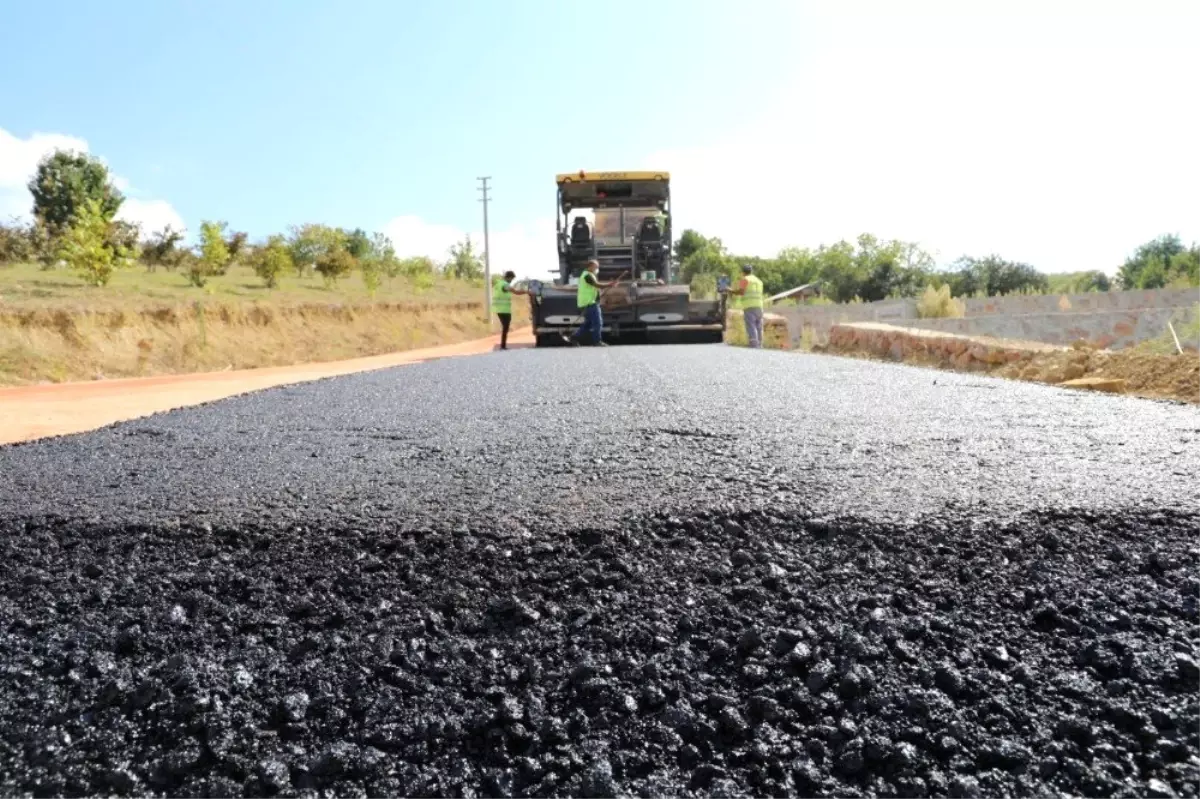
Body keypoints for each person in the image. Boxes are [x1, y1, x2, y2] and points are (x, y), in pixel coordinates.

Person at [569, 260, 619, 346]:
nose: (597, 269)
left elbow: (594, 288)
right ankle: (597, 341)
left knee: (588, 324)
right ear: (590, 266)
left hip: (588, 302)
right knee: (598, 322)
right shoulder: (587, 276)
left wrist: (607, 286)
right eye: (596, 267)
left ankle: (574, 337)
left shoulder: (589, 275)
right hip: (590, 302)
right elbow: (597, 285)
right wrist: (610, 284)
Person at [729, 263, 765, 348]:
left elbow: (741, 292)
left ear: (743, 272)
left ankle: (753, 344)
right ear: (751, 271)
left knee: (751, 325)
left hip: (749, 306)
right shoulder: (759, 281)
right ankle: (760, 344)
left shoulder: (745, 280)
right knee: (759, 326)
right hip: (759, 306)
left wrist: (731, 291)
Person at [491, 271, 527, 350]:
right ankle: (503, 346)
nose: (511, 281)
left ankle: (503, 345)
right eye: (511, 279)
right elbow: (516, 292)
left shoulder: (498, 283)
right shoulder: (505, 285)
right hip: (504, 310)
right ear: (508, 277)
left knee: (505, 327)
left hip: (498, 309)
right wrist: (526, 291)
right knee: (505, 327)